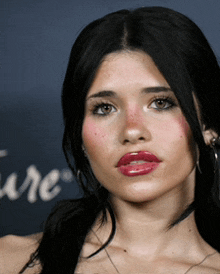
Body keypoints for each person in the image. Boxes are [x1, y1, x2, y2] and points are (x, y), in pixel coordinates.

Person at [1, 6, 220, 274]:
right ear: (79, 133)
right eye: (104, 108)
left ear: (208, 125)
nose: (131, 131)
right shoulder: (10, 261)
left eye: (161, 103)